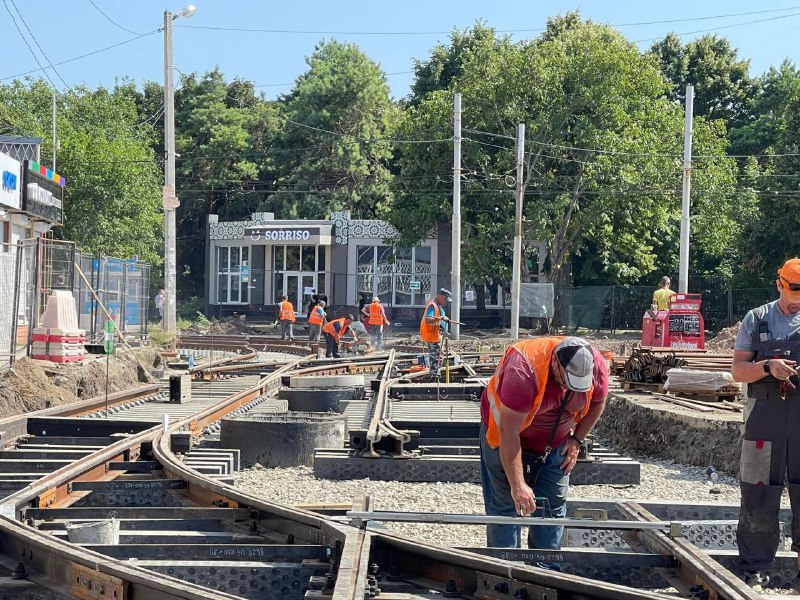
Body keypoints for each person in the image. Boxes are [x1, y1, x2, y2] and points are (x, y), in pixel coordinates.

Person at [479, 336, 608, 564]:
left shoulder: (595, 365)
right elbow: (509, 434)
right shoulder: (523, 370)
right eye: (566, 380)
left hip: (555, 442)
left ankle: (546, 574)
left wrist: (577, 440)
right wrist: (518, 485)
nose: (570, 388)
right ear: (556, 363)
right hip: (504, 437)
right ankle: (505, 573)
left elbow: (598, 401)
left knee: (552, 507)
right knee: (505, 506)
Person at [731, 257, 800, 589]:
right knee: (758, 491)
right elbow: (738, 371)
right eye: (794, 289)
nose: (798, 297)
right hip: (764, 415)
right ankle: (756, 568)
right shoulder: (757, 319)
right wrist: (768, 366)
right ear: (779, 284)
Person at [420, 288, 451, 382]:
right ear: (441, 296)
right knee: (436, 359)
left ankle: (435, 377)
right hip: (432, 336)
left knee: (436, 358)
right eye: (445, 300)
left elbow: (437, 321)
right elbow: (428, 319)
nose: (446, 303)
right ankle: (434, 379)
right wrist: (440, 318)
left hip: (434, 335)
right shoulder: (432, 305)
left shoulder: (437, 306)